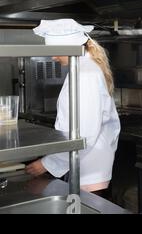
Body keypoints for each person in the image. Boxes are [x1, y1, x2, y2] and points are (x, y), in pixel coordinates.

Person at [25, 19, 120, 197]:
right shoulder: (83, 69)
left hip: (90, 167)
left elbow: (84, 133)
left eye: (55, 51)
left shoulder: (86, 75)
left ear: (69, 47)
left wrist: (48, 164)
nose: (53, 57)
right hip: (87, 163)